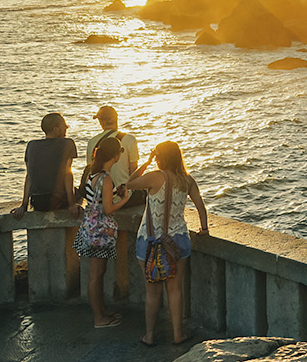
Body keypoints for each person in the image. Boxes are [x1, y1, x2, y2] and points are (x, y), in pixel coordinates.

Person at [124, 141, 208, 346]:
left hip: (151, 241)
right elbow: (200, 205)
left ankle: (149, 336)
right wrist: (204, 229)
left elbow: (129, 183)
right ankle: (178, 334)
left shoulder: (155, 176)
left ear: (160, 156)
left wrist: (147, 161)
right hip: (178, 241)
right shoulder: (187, 180)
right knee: (175, 288)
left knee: (153, 291)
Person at [74, 136, 128, 328]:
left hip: (90, 227)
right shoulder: (106, 178)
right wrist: (125, 200)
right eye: (120, 151)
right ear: (115, 155)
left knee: (98, 272)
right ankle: (99, 318)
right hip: (100, 231)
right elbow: (108, 209)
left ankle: (103, 311)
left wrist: (115, 193)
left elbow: (94, 200)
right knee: (96, 275)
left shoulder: (92, 173)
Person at [13, 112, 79, 214]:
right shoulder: (67, 143)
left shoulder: (32, 146)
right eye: (63, 125)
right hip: (58, 200)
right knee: (81, 192)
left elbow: (29, 176)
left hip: (38, 202)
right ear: (55, 129)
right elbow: (67, 174)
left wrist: (24, 205)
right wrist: (72, 204)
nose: (67, 127)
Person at [85, 105, 142, 199]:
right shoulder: (129, 139)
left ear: (101, 122)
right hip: (122, 196)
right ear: (116, 119)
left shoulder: (92, 142)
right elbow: (133, 170)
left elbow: (91, 170)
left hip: (99, 197)